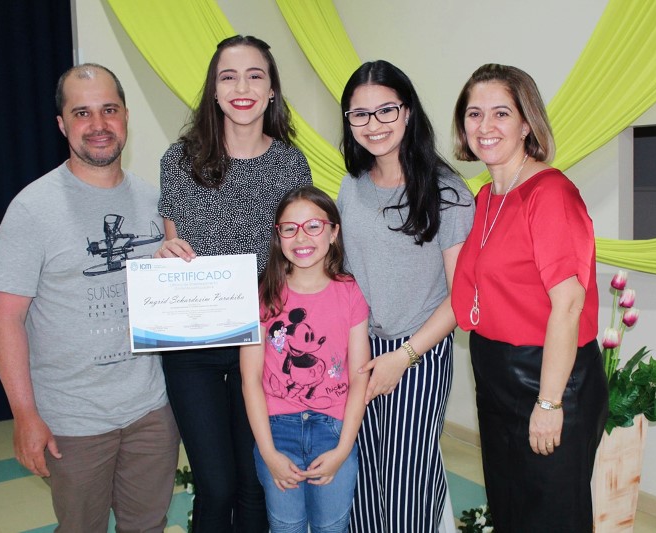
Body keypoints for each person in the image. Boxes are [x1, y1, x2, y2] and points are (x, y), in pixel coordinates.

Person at [0, 63, 179, 532]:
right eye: (82, 113)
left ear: (126, 117)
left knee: (148, 526)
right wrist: (25, 416)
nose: (98, 125)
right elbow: (5, 321)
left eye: (109, 110)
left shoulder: (156, 202)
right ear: (62, 124)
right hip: (71, 420)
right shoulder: (31, 209)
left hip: (151, 411)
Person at [154, 35, 312, 532]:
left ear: (272, 90)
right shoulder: (180, 160)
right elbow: (175, 247)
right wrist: (167, 255)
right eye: (229, 77)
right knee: (216, 485)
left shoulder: (291, 164)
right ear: (214, 90)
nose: (242, 88)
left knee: (254, 483)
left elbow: (300, 257)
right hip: (193, 348)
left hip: (264, 345)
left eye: (254, 76)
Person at [450, 63, 608, 532]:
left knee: (552, 519)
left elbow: (569, 304)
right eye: (474, 114)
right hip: (496, 376)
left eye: (501, 113)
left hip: (550, 377)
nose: (485, 125)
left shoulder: (551, 193)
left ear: (526, 124)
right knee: (511, 513)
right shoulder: (484, 197)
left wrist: (550, 403)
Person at [336, 60, 475, 533]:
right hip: (360, 349)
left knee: (404, 491)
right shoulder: (351, 187)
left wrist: (405, 356)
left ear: (408, 111)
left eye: (386, 110)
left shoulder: (447, 192)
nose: (373, 124)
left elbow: (461, 297)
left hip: (419, 353)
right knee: (360, 485)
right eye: (360, 114)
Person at [240, 185, 370, 533]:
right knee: (285, 525)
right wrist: (268, 453)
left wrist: (343, 449)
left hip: (333, 431)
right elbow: (250, 379)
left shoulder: (350, 292)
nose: (301, 237)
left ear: (333, 232)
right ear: (278, 236)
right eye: (289, 228)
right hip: (276, 432)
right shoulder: (264, 295)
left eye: (313, 226)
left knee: (332, 525)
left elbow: (360, 376)